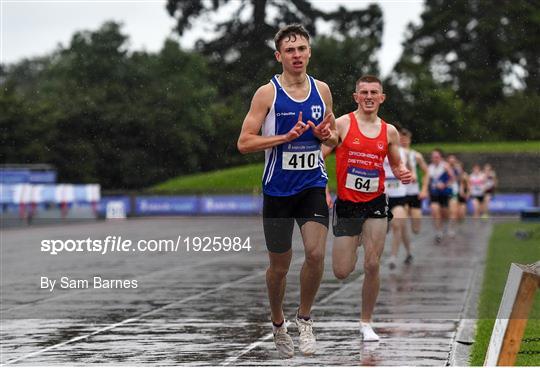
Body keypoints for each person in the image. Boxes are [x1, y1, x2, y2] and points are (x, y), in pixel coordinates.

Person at [237, 24, 338, 358]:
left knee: (316, 254)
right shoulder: (267, 93)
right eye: (290, 50)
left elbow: (334, 137)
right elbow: (244, 142)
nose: (297, 55)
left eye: (302, 49)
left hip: (312, 184)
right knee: (279, 268)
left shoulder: (322, 90)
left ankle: (305, 318)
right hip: (278, 190)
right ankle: (278, 322)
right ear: (279, 56)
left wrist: (327, 136)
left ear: (310, 52)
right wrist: (283, 138)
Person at [323, 75, 411, 341]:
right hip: (348, 205)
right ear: (356, 97)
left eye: (374, 92)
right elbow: (319, 156)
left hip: (375, 203)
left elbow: (395, 164)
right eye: (364, 92)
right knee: (342, 271)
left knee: (373, 264)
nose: (369, 97)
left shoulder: (390, 131)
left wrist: (402, 171)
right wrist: (324, 189)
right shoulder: (343, 124)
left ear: (382, 98)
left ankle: (366, 322)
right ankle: (356, 238)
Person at [384, 126, 412, 269]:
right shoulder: (379, 149)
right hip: (382, 196)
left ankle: (393, 257)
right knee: (400, 227)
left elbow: (410, 169)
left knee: (397, 225)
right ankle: (408, 252)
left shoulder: (404, 153)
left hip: (399, 197)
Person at [399, 128, 429, 234]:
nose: (403, 140)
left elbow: (426, 172)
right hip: (401, 192)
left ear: (410, 140)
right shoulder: (394, 154)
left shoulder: (416, 155)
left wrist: (424, 189)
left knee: (416, 228)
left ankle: (409, 240)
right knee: (401, 222)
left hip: (414, 192)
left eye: (405, 138)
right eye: (401, 138)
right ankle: (405, 245)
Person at [421, 149, 455, 243]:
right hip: (434, 194)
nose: (435, 159)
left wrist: (444, 184)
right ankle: (438, 232)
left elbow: (452, 178)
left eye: (437, 157)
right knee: (435, 211)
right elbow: (426, 180)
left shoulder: (445, 166)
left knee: (445, 213)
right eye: (433, 157)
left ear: (441, 157)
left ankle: (447, 226)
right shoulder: (429, 167)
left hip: (444, 194)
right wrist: (426, 191)